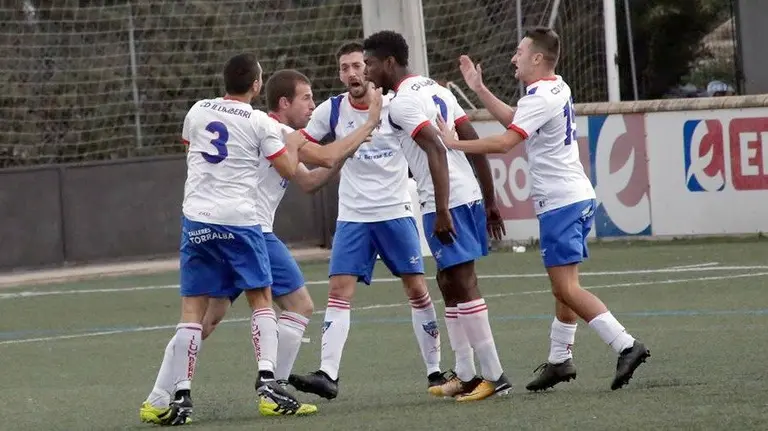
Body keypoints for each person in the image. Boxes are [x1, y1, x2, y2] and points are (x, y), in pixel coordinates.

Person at [437, 26, 650, 392]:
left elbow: (506, 142)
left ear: (537, 57)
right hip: (574, 197)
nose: (513, 58)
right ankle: (559, 360)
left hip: (562, 202)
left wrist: (452, 144)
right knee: (563, 287)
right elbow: (516, 122)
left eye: (519, 52)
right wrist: (479, 89)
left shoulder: (540, 97)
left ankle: (626, 344)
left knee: (566, 288)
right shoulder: (556, 87)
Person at [197, 69, 383, 416]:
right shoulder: (277, 131)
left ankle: (166, 391)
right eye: (306, 98)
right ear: (284, 103)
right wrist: (368, 123)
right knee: (299, 306)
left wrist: (343, 152)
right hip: (252, 232)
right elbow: (325, 157)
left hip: (225, 228)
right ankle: (274, 388)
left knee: (209, 316)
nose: (313, 105)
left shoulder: (275, 135)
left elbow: (311, 181)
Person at [139, 54, 309, 425]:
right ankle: (268, 381)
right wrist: (294, 144)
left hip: (196, 219)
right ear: (256, 86)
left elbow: (190, 148)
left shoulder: (198, 110)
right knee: (261, 298)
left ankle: (179, 394)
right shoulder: (261, 120)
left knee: (192, 312)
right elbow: (288, 168)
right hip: (240, 220)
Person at [287, 41, 447, 400]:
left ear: (370, 68)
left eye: (358, 65)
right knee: (338, 291)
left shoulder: (394, 107)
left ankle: (435, 372)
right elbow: (298, 142)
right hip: (353, 216)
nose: (352, 73)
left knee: (417, 290)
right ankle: (328, 374)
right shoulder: (331, 110)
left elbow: (431, 144)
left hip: (395, 212)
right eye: (344, 68)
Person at [361, 30, 510, 402]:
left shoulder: (402, 104)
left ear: (389, 63)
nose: (366, 71)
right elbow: (472, 141)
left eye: (370, 63)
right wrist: (489, 200)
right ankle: (465, 373)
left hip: (446, 202)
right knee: (447, 280)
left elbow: (437, 152)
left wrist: (442, 210)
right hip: (464, 196)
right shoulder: (438, 90)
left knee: (463, 280)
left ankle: (495, 376)